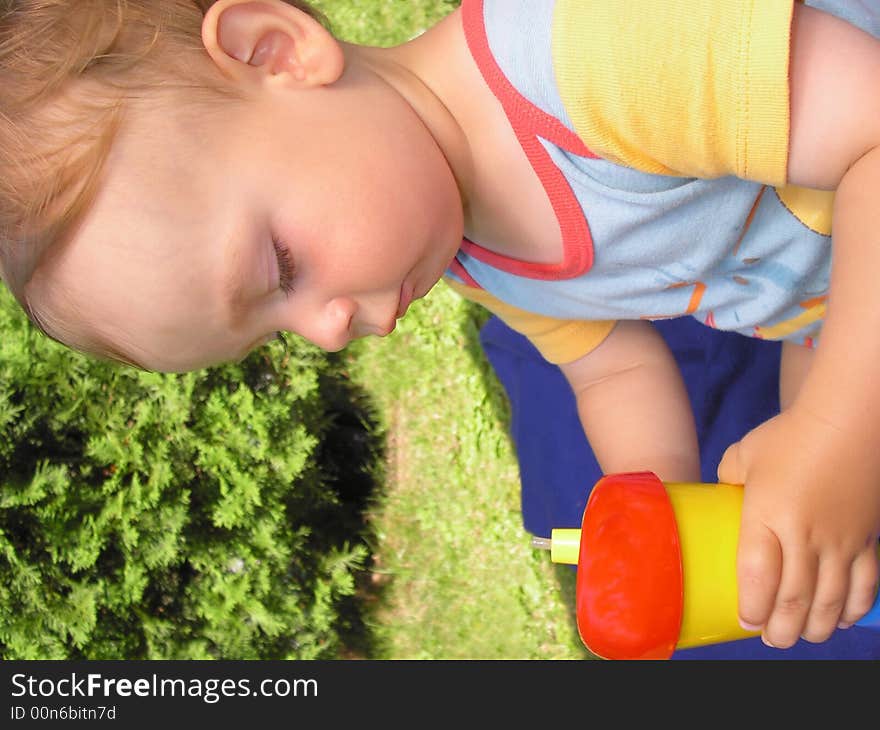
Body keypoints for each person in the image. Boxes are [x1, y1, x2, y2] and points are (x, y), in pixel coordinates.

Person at [1, 0, 879, 653]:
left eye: (283, 268)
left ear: (276, 53)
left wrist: (839, 434)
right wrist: (658, 524)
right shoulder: (462, 250)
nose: (330, 334)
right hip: (823, 309)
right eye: (277, 333)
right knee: (796, 527)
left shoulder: (588, 60)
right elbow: (611, 368)